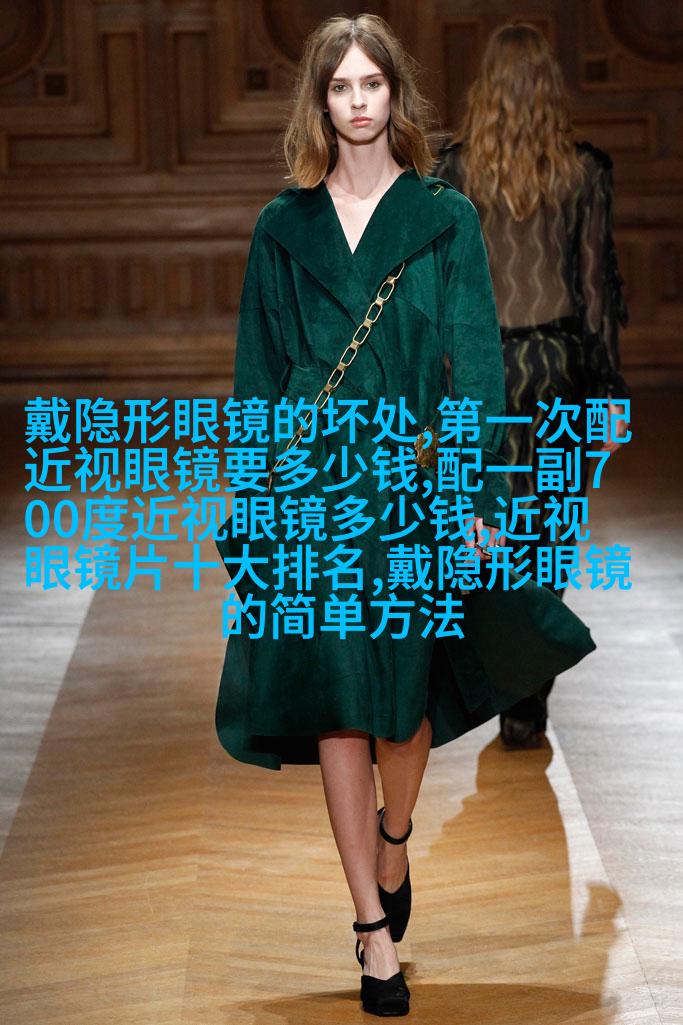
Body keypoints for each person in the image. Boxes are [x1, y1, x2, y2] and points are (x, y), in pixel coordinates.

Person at [214, 14, 596, 1017]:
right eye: (338, 86)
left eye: (370, 84)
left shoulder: (442, 217)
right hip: (314, 492)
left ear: (394, 96)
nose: (356, 102)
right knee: (340, 703)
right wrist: (253, 499)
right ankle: (370, 929)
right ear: (319, 101)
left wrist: (472, 497)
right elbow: (256, 376)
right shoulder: (281, 227)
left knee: (403, 704)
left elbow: (473, 368)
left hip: (411, 484)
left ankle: (394, 838)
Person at [433, 22, 630, 750]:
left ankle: (509, 677)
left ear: (484, 87)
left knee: (489, 524)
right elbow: (595, 289)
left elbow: (441, 293)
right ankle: (526, 697)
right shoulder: (583, 171)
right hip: (558, 369)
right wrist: (610, 394)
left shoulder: (453, 172)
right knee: (552, 527)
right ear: (550, 87)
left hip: (479, 371)